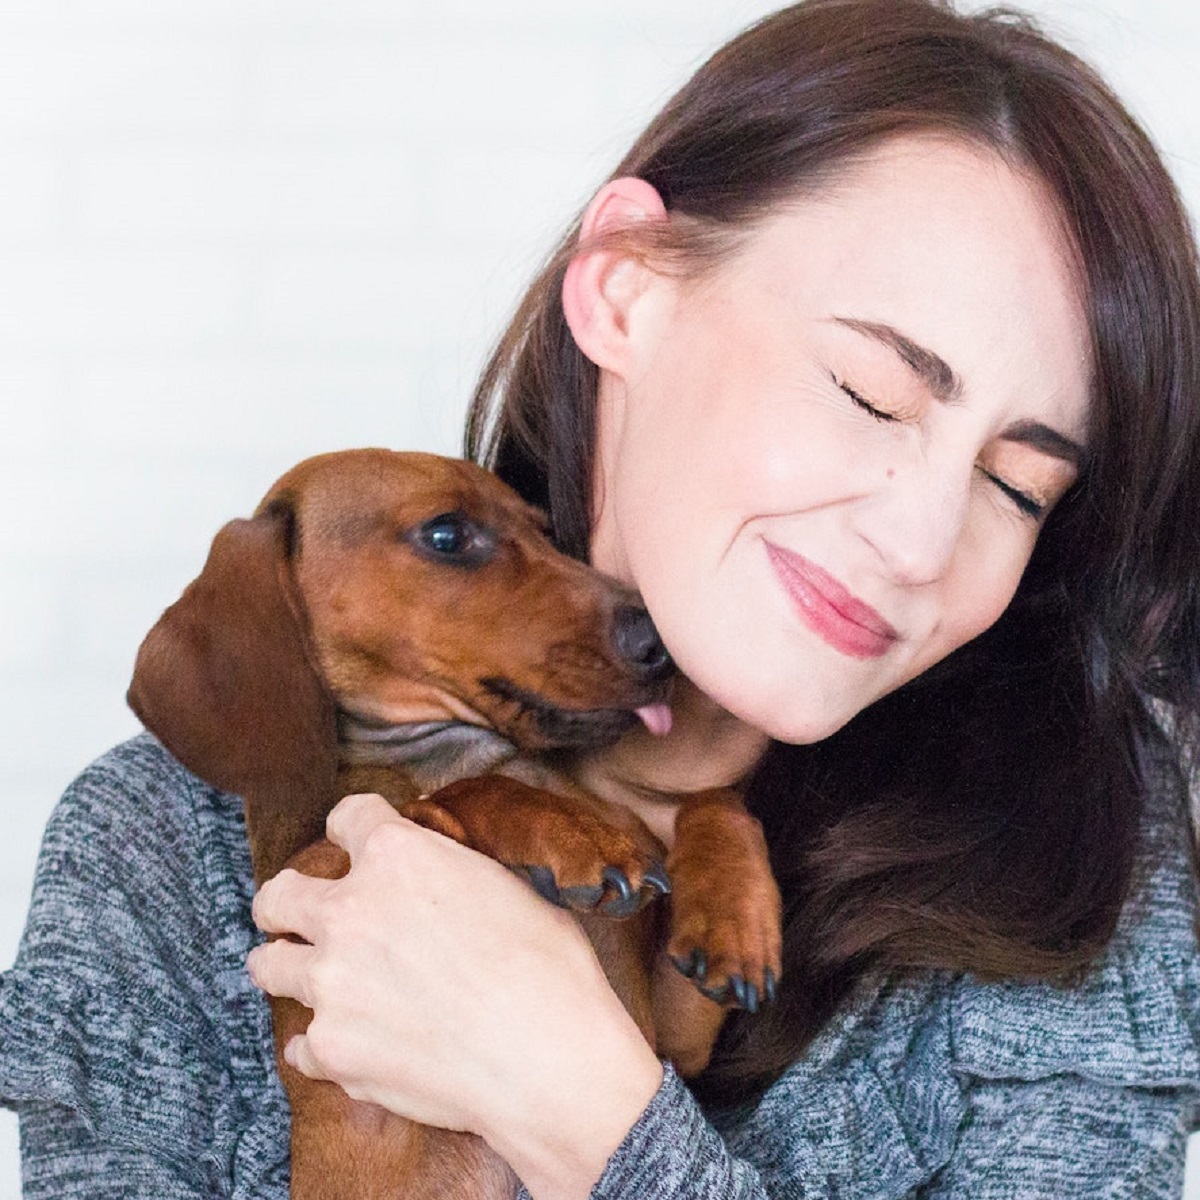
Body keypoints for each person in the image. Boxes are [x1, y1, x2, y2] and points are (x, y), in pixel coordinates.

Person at [3, 0, 1199, 1196]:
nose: (921, 540)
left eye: (1016, 484)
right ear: (626, 289)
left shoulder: (1076, 852)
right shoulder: (157, 860)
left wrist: (579, 1102)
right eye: (872, 393)